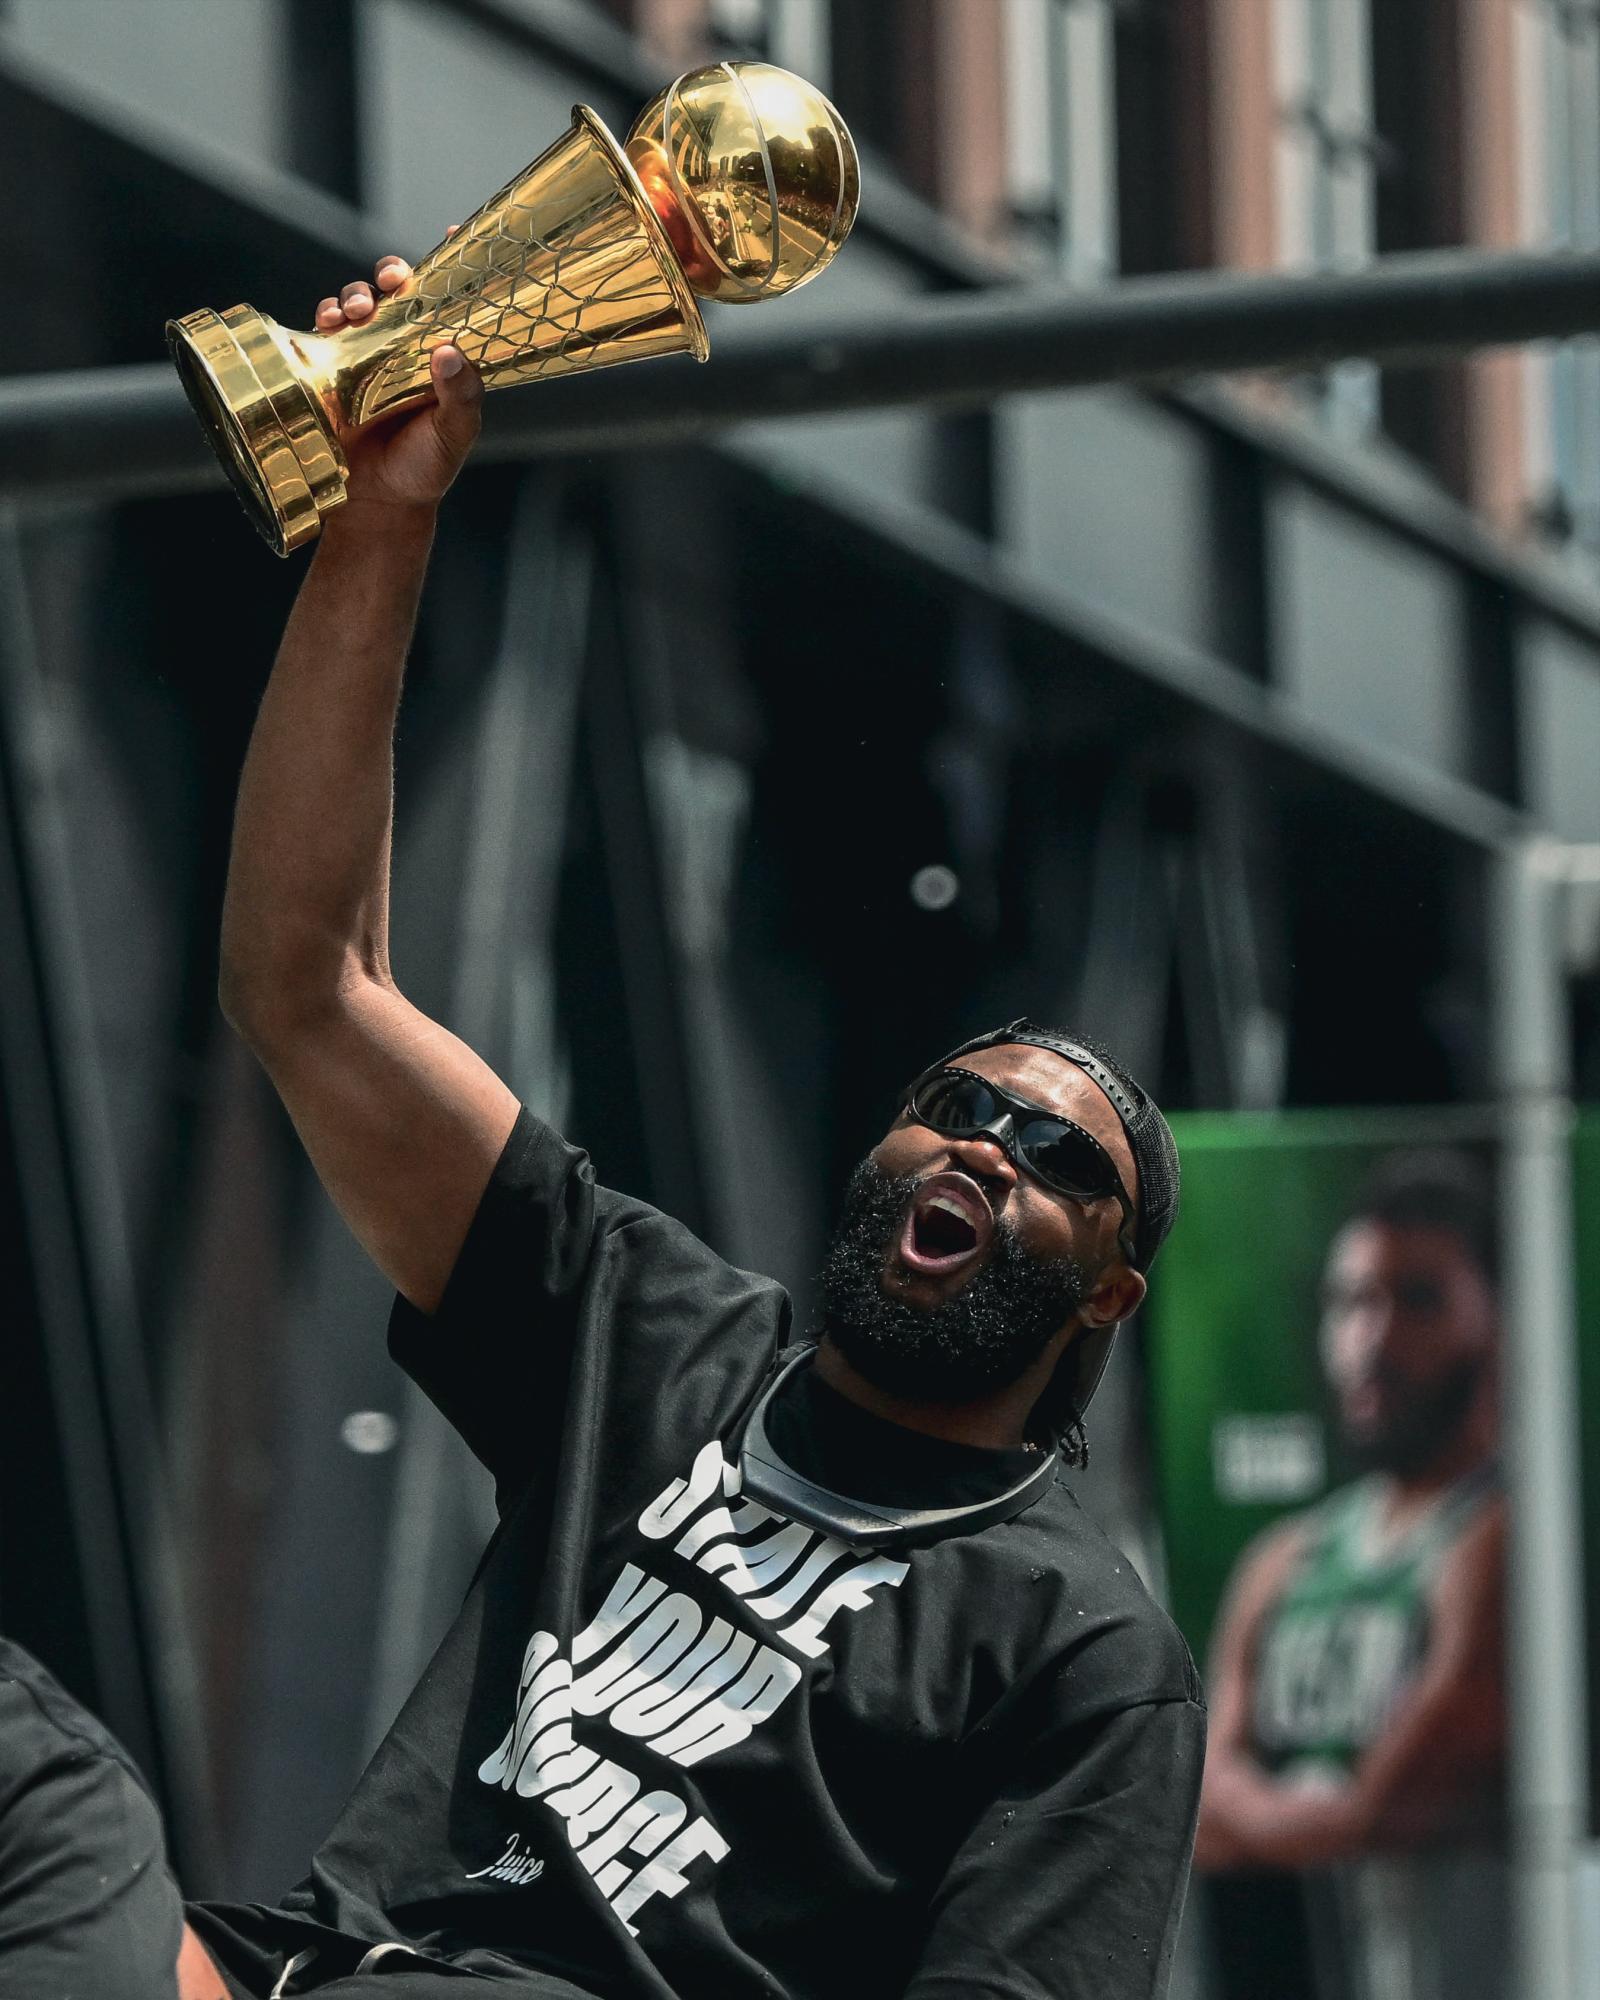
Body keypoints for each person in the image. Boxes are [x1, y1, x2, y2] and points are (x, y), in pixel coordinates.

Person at [2, 255, 1202, 2000]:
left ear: (1107, 1296)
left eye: (1059, 1162)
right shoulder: (647, 1339)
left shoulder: (1078, 1652)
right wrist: (384, 516)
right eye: (956, 1108)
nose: (988, 1147)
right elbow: (308, 986)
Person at [1195, 1150, 1505, 2000]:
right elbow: (1197, 1812)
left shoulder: (1508, 1541)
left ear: (1502, 1317)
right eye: (1354, 1303)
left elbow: (1397, 1801)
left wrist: (1264, 1812)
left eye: (1420, 1300)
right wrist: (1327, 1812)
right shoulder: (1284, 1558)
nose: (1376, 1340)